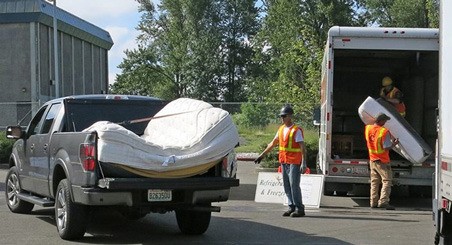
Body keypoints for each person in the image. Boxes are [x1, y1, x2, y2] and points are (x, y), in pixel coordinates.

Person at [254, 104, 307, 217]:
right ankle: (291, 206)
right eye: (281, 116)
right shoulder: (281, 129)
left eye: (284, 116)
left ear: (290, 116)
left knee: (294, 185)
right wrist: (262, 155)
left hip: (294, 162)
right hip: (284, 161)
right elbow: (273, 143)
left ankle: (299, 208)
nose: (282, 118)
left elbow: (302, 147)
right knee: (287, 185)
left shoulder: (296, 130)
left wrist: (304, 162)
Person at [365, 113, 399, 210]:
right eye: (385, 121)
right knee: (387, 181)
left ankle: (373, 202)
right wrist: (394, 144)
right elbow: (386, 147)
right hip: (382, 161)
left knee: (374, 182)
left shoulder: (368, 129)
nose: (385, 123)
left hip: (372, 160)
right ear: (380, 121)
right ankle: (383, 202)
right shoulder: (383, 132)